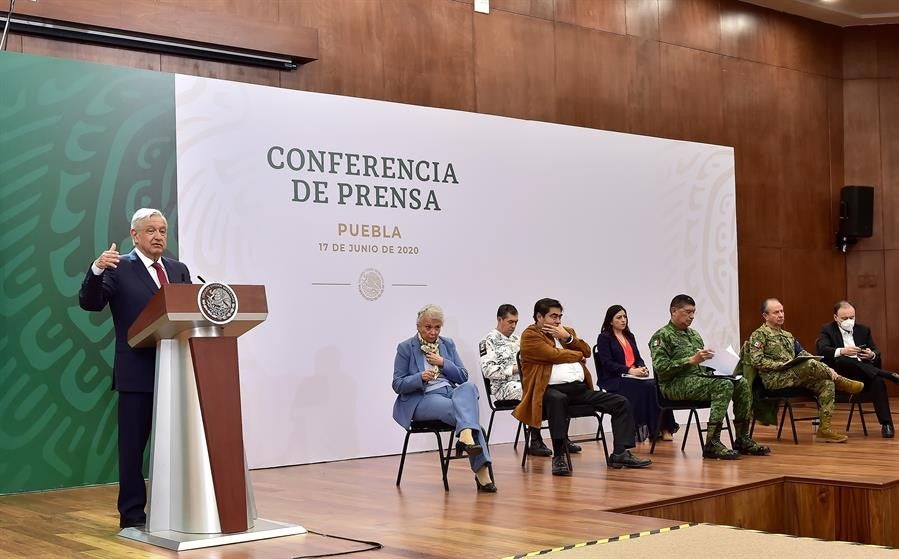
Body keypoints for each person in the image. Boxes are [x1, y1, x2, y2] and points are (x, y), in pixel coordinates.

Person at [79, 208, 192, 529]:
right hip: (137, 372)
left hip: (177, 371)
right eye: (151, 231)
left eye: (163, 231)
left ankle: (178, 508)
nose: (158, 237)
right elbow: (90, 302)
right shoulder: (118, 268)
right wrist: (97, 269)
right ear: (135, 235)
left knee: (179, 445)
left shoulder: (178, 269)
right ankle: (132, 515)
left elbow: (187, 311)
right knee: (133, 449)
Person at [513, 298, 651, 476]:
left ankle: (620, 453)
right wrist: (576, 355)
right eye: (553, 316)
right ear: (539, 317)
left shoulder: (565, 332)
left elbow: (586, 350)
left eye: (559, 316)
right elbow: (552, 355)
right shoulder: (530, 335)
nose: (557, 321)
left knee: (620, 402)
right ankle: (559, 456)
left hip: (578, 390)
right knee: (557, 399)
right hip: (546, 392)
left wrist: (567, 338)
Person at [649, 294, 769, 460]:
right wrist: (690, 360)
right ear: (674, 311)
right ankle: (712, 443)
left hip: (698, 380)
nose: (692, 316)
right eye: (688, 312)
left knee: (741, 383)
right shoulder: (661, 336)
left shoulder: (694, 335)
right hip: (674, 385)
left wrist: (719, 366)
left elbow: (702, 366)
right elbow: (661, 368)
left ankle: (742, 438)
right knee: (723, 386)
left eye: (694, 312)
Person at [393, 304, 496, 492]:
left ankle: (465, 435)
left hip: (449, 390)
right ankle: (482, 473)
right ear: (418, 326)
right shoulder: (406, 348)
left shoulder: (447, 344)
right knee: (473, 424)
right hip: (423, 398)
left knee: (469, 387)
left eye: (437, 327)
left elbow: (463, 376)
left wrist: (443, 363)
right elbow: (397, 384)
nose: (433, 332)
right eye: (428, 327)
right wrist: (419, 377)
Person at [748, 298, 864, 443]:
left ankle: (824, 430)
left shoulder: (787, 335)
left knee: (826, 383)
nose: (781, 315)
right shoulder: (759, 335)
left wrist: (827, 368)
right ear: (765, 316)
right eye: (776, 312)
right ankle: (842, 382)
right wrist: (781, 364)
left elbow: (803, 354)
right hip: (775, 379)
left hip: (794, 376)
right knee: (809, 365)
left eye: (782, 311)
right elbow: (757, 361)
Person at [816, 300, 898, 438]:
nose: (849, 321)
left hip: (864, 375)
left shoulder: (863, 329)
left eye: (851, 317)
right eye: (844, 318)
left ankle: (886, 424)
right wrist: (843, 351)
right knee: (843, 359)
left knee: (878, 381)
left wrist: (871, 355)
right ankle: (890, 375)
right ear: (835, 317)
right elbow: (822, 350)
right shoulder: (827, 330)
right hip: (842, 376)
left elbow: (876, 351)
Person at [595, 305, 678, 442]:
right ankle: (651, 428)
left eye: (625, 317)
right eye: (619, 317)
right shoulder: (604, 338)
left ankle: (664, 427)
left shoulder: (629, 336)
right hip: (615, 378)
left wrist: (642, 367)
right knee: (646, 387)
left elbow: (638, 358)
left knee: (657, 385)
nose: (623, 320)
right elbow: (607, 363)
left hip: (633, 376)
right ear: (610, 321)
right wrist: (630, 370)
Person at [480, 304, 554, 457]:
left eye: (516, 322)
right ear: (499, 319)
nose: (513, 326)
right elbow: (488, 371)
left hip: (524, 382)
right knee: (532, 391)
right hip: (503, 387)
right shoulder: (488, 341)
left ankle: (562, 439)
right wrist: (515, 369)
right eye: (510, 322)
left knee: (557, 390)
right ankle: (535, 440)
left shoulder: (518, 340)